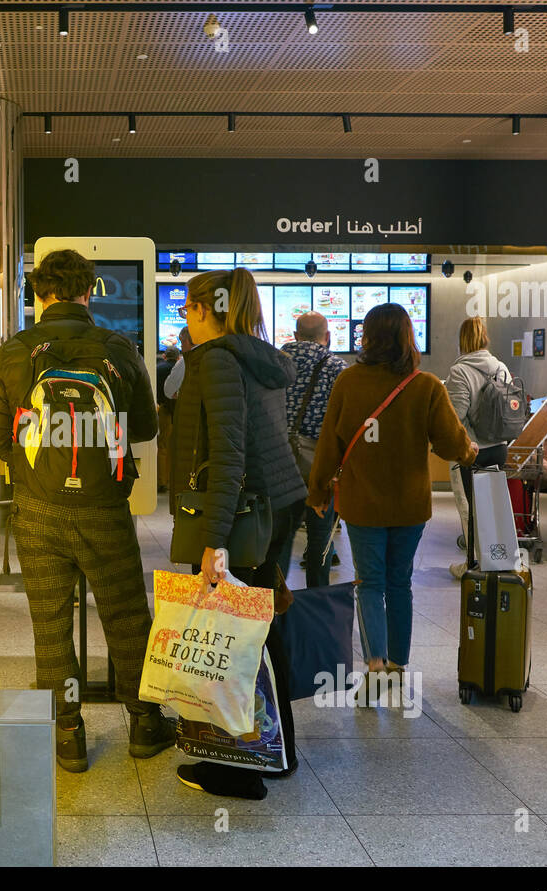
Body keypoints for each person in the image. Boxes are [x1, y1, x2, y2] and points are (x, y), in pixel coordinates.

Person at [0, 248, 172, 773]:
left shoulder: (15, 351)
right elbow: (147, 430)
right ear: (89, 292)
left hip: (38, 509)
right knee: (128, 616)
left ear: (39, 295)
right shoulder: (116, 347)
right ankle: (144, 723)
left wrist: (38, 455)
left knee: (50, 623)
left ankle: (67, 733)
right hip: (104, 506)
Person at [168, 267, 306, 801]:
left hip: (245, 517)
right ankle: (280, 752)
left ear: (207, 310)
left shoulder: (219, 361)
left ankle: (240, 769)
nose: (184, 317)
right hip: (276, 506)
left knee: (233, 639)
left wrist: (215, 540)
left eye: (186, 308)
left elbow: (227, 457)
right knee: (261, 631)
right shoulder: (259, 356)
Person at [308, 304, 475, 702]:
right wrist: (469, 452)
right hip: (410, 506)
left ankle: (375, 666)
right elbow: (454, 445)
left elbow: (329, 443)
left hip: (362, 503)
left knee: (370, 584)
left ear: (366, 336)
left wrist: (317, 493)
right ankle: (399, 665)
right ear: (407, 336)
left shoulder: (348, 382)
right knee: (400, 583)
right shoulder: (426, 386)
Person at [277, 311, 346, 587]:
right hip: (320, 464)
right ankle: (317, 602)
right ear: (327, 337)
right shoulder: (336, 367)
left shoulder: (274, 364)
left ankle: (275, 604)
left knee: (280, 539)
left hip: (279, 463)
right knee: (320, 540)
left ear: (294, 336)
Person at [445, 316, 513, 575]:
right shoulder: (501, 368)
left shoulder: (459, 371)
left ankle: (472, 564)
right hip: (499, 445)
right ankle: (496, 558)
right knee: (494, 507)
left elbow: (456, 415)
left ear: (461, 340)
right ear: (486, 338)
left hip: (471, 450)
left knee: (470, 510)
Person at [157, 345, 180, 493]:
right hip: (179, 410)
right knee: (176, 446)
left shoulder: (158, 368)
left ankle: (161, 481)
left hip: (164, 409)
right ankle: (174, 480)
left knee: (163, 446)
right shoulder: (181, 368)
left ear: (165, 356)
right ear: (178, 357)